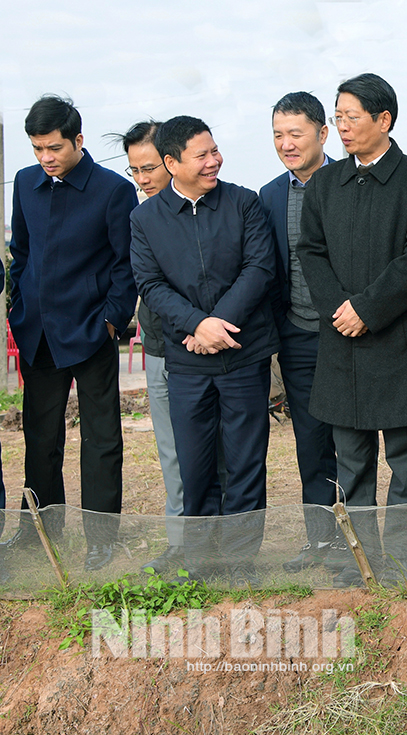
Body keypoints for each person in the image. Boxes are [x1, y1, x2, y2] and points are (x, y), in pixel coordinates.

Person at [296, 73, 407, 587]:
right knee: (351, 457)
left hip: (395, 340)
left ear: (384, 119)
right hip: (341, 340)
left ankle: (401, 560)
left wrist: (368, 308)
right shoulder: (324, 185)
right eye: (337, 118)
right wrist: (341, 308)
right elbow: (310, 251)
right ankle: (359, 560)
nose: (341, 127)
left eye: (350, 117)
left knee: (405, 455)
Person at [130, 115, 279, 587]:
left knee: (245, 461)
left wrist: (217, 325)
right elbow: (150, 284)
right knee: (194, 463)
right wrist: (196, 324)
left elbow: (259, 268)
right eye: (202, 154)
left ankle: (238, 561)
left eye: (215, 150)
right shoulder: (145, 219)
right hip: (187, 358)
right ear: (172, 163)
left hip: (243, 351)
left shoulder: (243, 202)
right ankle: (198, 553)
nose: (214, 160)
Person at [7, 95, 138, 571]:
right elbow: (19, 253)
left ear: (78, 141)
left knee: (101, 438)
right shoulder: (24, 183)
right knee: (41, 436)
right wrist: (17, 304)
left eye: (54, 147)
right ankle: (39, 526)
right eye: (37, 148)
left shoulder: (112, 191)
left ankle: (101, 537)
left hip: (91, 331)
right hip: (37, 333)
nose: (45, 158)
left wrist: (110, 320)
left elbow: (125, 266)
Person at [258, 92, 341, 572]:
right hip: (296, 335)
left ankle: (360, 534)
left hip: (348, 332)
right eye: (277, 135)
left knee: (351, 439)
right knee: (310, 440)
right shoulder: (269, 195)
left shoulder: (348, 182)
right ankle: (320, 538)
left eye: (296, 133)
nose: (286, 144)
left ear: (322, 133)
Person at [110, 120, 189, 574]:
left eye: (148, 168)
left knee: (219, 451)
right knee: (172, 450)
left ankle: (224, 542)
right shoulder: (141, 218)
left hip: (212, 347)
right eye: (133, 171)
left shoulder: (214, 207)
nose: (141, 180)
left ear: (171, 160)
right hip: (160, 349)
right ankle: (180, 543)